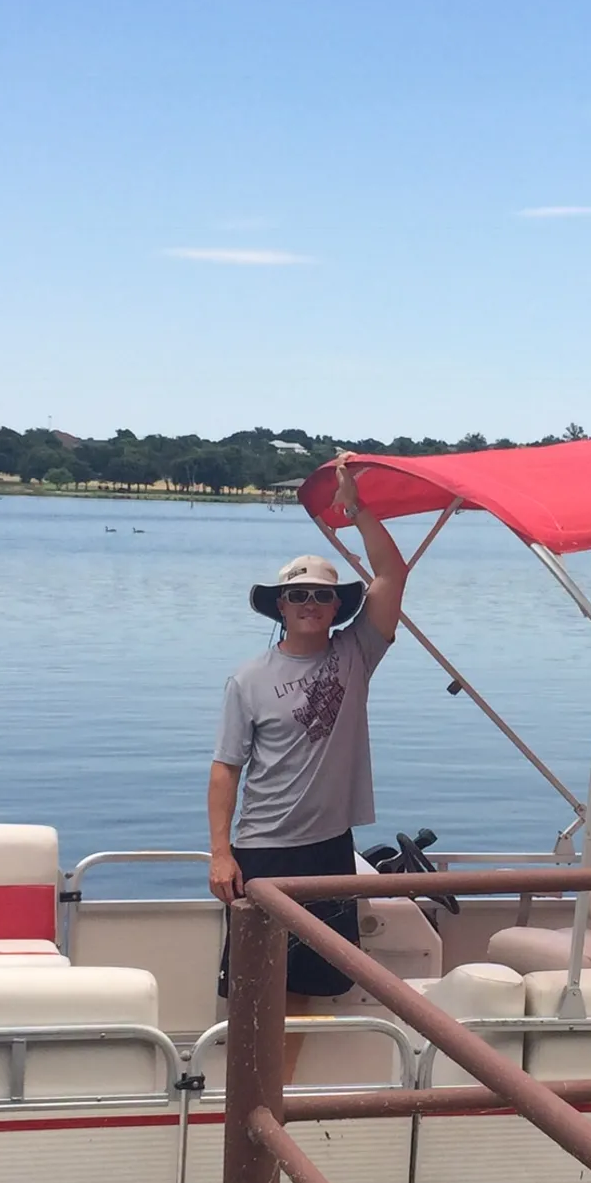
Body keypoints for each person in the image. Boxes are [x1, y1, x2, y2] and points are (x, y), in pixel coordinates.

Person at [209, 454, 407, 1075]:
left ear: (335, 605)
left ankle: (277, 1092)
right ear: (280, 605)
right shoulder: (247, 680)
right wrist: (220, 853)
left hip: (328, 849)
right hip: (263, 851)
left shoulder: (357, 653)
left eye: (321, 596)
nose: (309, 604)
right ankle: (253, 1097)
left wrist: (358, 507)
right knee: (260, 988)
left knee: (314, 985)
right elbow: (225, 771)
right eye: (297, 596)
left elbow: (392, 572)